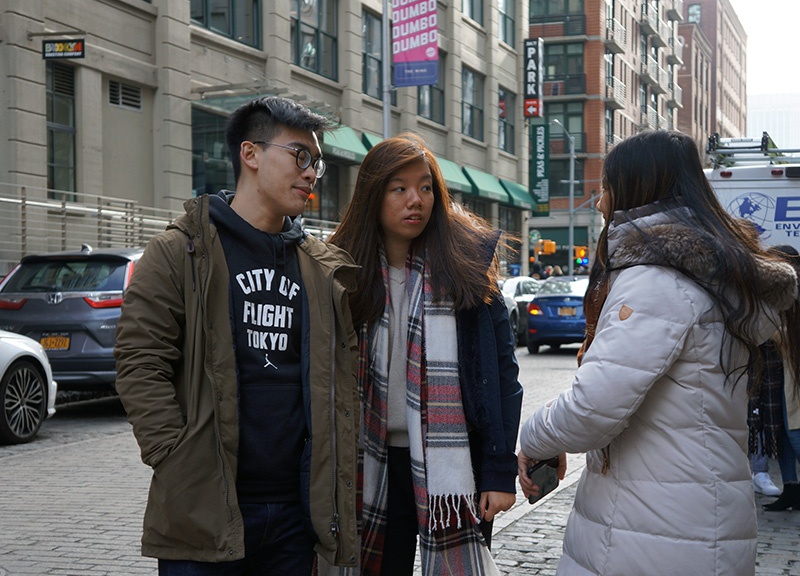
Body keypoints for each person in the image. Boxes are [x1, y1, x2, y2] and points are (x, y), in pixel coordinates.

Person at [517, 130, 800, 576]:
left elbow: (594, 406)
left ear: (636, 190)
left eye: (607, 188)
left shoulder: (655, 281)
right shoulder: (708, 278)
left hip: (652, 530)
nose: (598, 203)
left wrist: (533, 437)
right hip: (689, 519)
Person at [114, 96, 361, 575]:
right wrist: (175, 457)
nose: (311, 173)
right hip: (205, 510)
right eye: (300, 156)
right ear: (250, 154)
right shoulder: (180, 252)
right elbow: (139, 362)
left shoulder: (316, 265)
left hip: (294, 515)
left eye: (318, 163)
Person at [327, 134, 523, 575]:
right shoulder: (339, 274)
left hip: (455, 468)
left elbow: (502, 377)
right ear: (373, 196)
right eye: (399, 188)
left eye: (426, 186)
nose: (415, 199)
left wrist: (498, 470)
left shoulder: (467, 267)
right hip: (368, 463)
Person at [754, 245, 800, 511]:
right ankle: (792, 489)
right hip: (775, 378)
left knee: (794, 435)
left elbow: (784, 336)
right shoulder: (774, 296)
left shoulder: (794, 296)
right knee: (780, 434)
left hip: (792, 377)